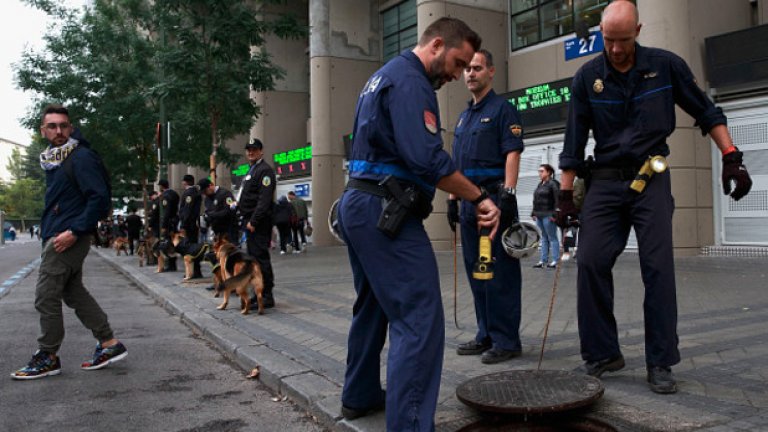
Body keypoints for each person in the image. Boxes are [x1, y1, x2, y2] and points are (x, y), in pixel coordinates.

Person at [556, 1, 752, 395]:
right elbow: (574, 140)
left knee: (658, 268)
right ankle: (602, 353)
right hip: (605, 182)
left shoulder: (666, 66)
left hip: (651, 178)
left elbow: (707, 111)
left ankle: (660, 361)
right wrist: (564, 195)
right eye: (608, 40)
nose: (614, 49)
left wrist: (732, 157)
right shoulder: (587, 77)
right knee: (591, 262)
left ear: (638, 31)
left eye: (623, 40)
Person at [338, 17, 498, 430]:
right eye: (458, 63)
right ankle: (409, 424)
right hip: (385, 210)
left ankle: (360, 396)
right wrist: (478, 196)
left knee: (372, 305)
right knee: (419, 315)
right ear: (437, 44)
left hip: (359, 204)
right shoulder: (412, 83)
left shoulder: (381, 76)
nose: (458, 74)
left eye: (466, 68)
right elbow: (427, 160)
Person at [11, 104, 127, 380]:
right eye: (52, 126)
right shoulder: (56, 160)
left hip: (68, 237)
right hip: (60, 233)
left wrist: (75, 230)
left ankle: (48, 355)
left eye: (64, 125)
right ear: (43, 130)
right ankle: (109, 343)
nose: (59, 131)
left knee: (46, 296)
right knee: (72, 292)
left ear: (71, 128)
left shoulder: (80, 157)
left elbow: (98, 197)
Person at [448, 49, 524, 365]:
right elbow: (456, 164)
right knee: (479, 272)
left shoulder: (503, 110)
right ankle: (486, 335)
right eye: (467, 69)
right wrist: (452, 201)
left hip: (494, 205)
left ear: (491, 72)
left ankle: (507, 340)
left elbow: (512, 153)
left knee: (500, 274)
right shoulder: (464, 117)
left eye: (477, 68)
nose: (470, 73)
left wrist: (507, 194)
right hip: (469, 206)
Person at [236, 138, 276, 309]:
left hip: (258, 223)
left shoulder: (265, 171)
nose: (250, 152)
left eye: (254, 149)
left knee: (261, 259)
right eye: (248, 150)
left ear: (261, 151)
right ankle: (258, 294)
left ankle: (267, 296)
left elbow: (264, 200)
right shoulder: (252, 170)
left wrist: (254, 220)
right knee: (254, 259)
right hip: (249, 221)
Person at [531, 164, 560, 268]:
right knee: (543, 237)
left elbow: (558, 200)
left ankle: (556, 261)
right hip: (539, 215)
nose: (539, 173)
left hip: (549, 215)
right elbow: (536, 200)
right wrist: (533, 212)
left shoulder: (553, 184)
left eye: (542, 171)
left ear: (549, 172)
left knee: (552, 238)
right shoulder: (540, 184)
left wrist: (555, 214)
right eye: (539, 171)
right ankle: (543, 261)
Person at [198, 178, 238, 244]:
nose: (205, 194)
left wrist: (212, 215)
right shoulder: (207, 198)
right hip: (216, 231)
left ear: (210, 185)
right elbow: (207, 212)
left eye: (205, 191)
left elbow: (230, 210)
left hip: (228, 230)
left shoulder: (225, 194)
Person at [178, 174, 203, 278]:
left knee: (190, 248)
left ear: (185, 182)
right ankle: (195, 270)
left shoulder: (189, 193)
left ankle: (193, 271)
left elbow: (187, 210)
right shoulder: (195, 192)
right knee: (194, 247)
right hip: (193, 224)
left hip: (189, 225)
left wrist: (183, 225)